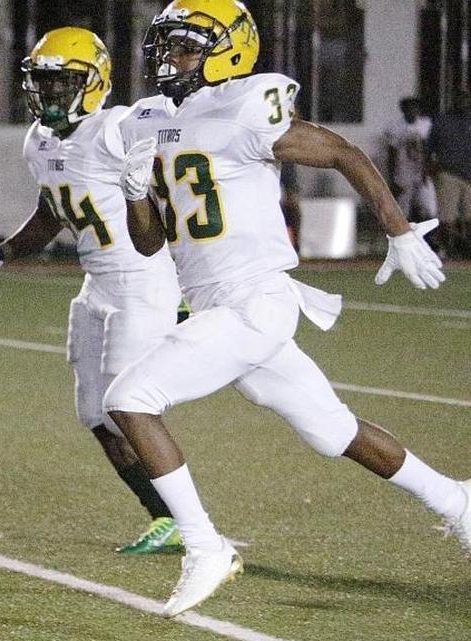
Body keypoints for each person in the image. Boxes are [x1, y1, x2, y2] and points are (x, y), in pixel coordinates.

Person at [107, 0, 471, 618]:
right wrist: (136, 191)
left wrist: (399, 229)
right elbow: (149, 243)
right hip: (216, 302)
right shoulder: (146, 121)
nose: (171, 59)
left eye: (187, 47)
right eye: (168, 47)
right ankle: (458, 501)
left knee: (129, 399)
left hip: (257, 301)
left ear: (229, 51)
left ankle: (205, 546)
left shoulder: (249, 105)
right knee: (333, 432)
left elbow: (343, 154)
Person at [0, 27, 185, 556]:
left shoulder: (117, 127)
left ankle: (188, 519)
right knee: (94, 412)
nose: (49, 94)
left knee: (127, 405)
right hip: (97, 285)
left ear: (93, 84)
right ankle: (166, 518)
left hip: (142, 282)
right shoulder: (39, 141)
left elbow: (174, 123)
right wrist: (4, 252)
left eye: (62, 83)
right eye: (42, 82)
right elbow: (52, 212)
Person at [427, 90, 471, 256]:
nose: (462, 102)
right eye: (459, 98)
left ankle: (465, 249)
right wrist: (429, 168)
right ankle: (446, 249)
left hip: (469, 173)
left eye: (465, 99)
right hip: (448, 172)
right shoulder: (442, 120)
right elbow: (429, 147)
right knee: (447, 217)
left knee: (468, 217)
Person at [383, 97, 437, 224]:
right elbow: (391, 154)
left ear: (419, 110)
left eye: (415, 108)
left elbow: (431, 150)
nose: (412, 111)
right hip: (403, 171)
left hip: (422, 171)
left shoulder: (427, 124)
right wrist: (391, 178)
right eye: (408, 108)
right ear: (403, 110)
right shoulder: (395, 127)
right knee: (403, 209)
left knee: (429, 207)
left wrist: (428, 169)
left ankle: (428, 237)